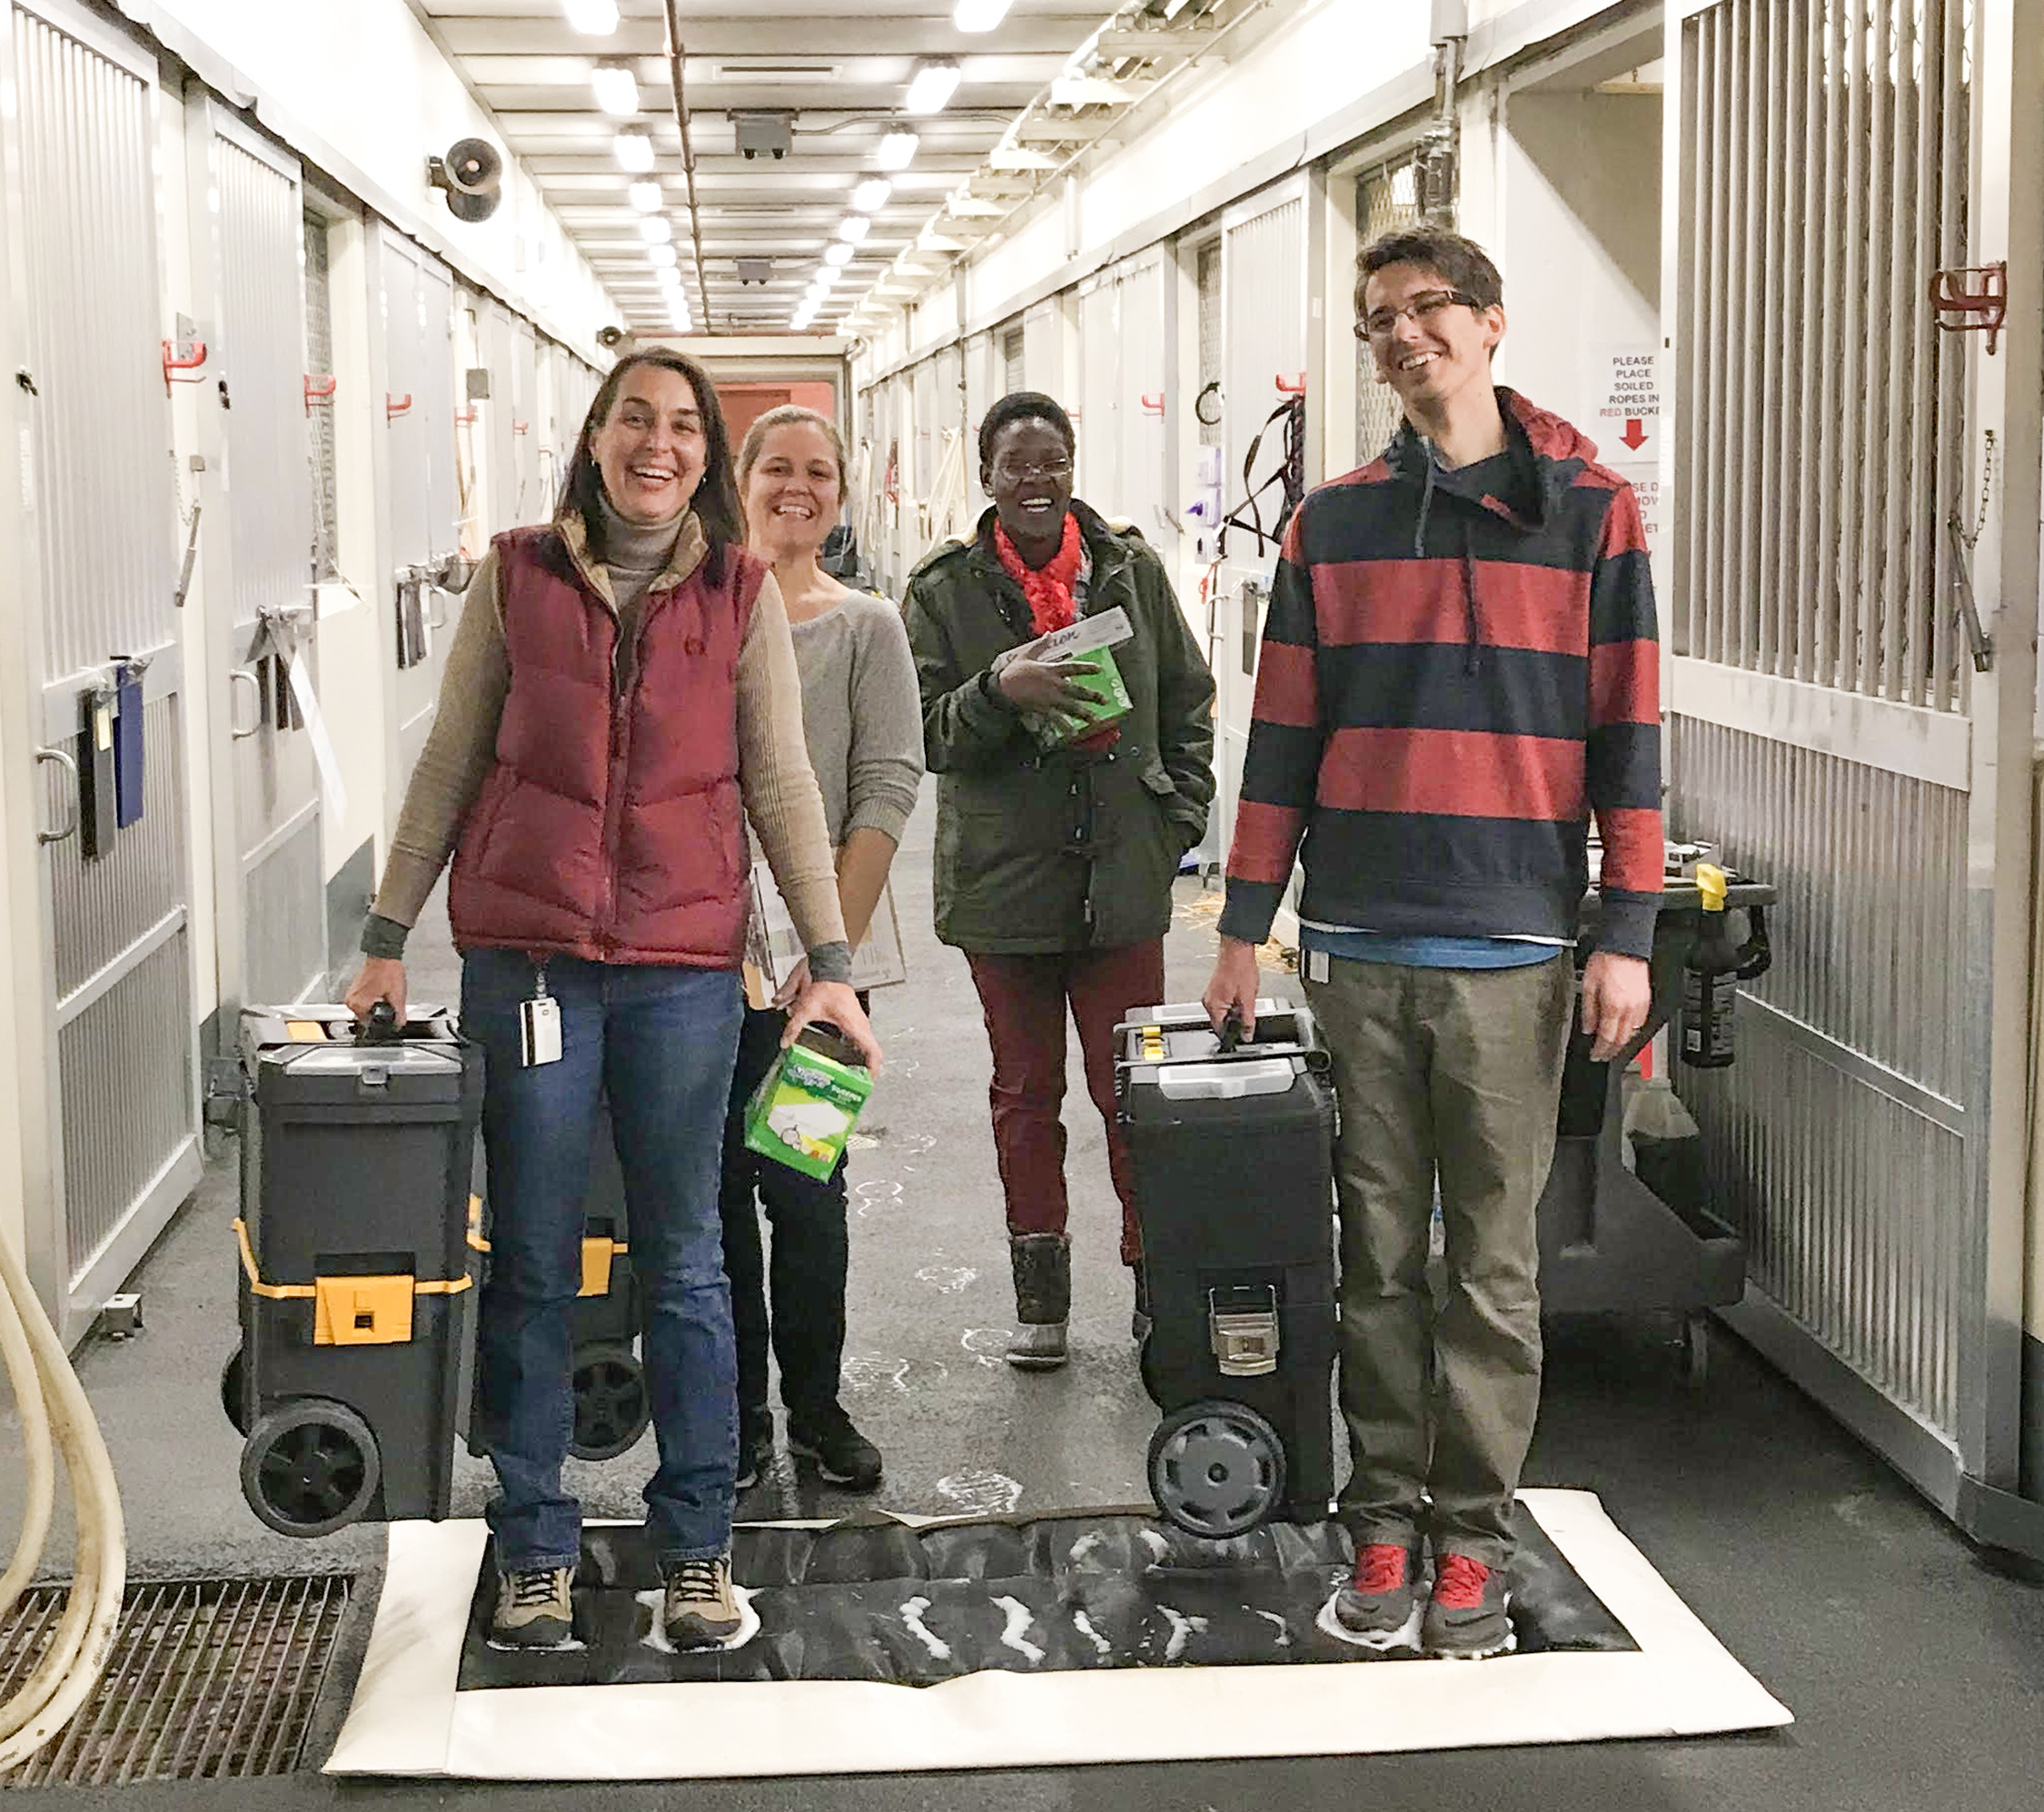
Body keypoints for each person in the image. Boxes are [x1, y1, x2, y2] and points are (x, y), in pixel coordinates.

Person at [344, 351, 880, 1653]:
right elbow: (451, 757)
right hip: (528, 961)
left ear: (704, 456)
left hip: (682, 973)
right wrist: (383, 936)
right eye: (635, 418)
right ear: (594, 437)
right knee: (531, 1255)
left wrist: (828, 957)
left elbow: (781, 781)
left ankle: (696, 1547)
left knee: (687, 1255)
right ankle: (534, 1541)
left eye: (684, 426)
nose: (659, 443)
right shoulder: (517, 575)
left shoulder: (737, 591)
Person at [1203, 227, 1662, 1659]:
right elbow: (1281, 740)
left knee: (1493, 1269)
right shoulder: (1330, 525)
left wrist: (1625, 930)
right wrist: (1240, 929)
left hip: (1513, 951)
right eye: (1379, 318)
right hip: (1357, 946)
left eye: (1429, 307)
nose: (1404, 333)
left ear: (1490, 321)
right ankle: (1381, 1520)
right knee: (1379, 1258)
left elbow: (1629, 733)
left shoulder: (1591, 512)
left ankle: (1472, 1537)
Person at [904, 391, 1215, 1371]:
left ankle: (1155, 1281)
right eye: (1016, 465)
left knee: (1135, 1093)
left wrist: (1176, 821)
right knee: (1026, 1094)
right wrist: (998, 690)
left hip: (1122, 880)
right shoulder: (943, 592)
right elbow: (922, 732)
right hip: (1004, 890)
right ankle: (1041, 1299)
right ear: (987, 477)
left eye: (1053, 462)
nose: (1036, 481)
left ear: (1072, 469)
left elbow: (1189, 701)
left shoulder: (1131, 572)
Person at [719, 406, 923, 1494]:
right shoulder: (700, 612)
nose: (797, 488)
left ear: (841, 495)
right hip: (704, 968)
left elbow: (885, 786)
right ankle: (735, 1418)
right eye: (778, 468)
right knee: (711, 1199)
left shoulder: (865, 627)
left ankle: (816, 1410)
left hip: (821, 978)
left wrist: (824, 952)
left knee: (805, 1186)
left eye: (820, 473)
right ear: (742, 479)